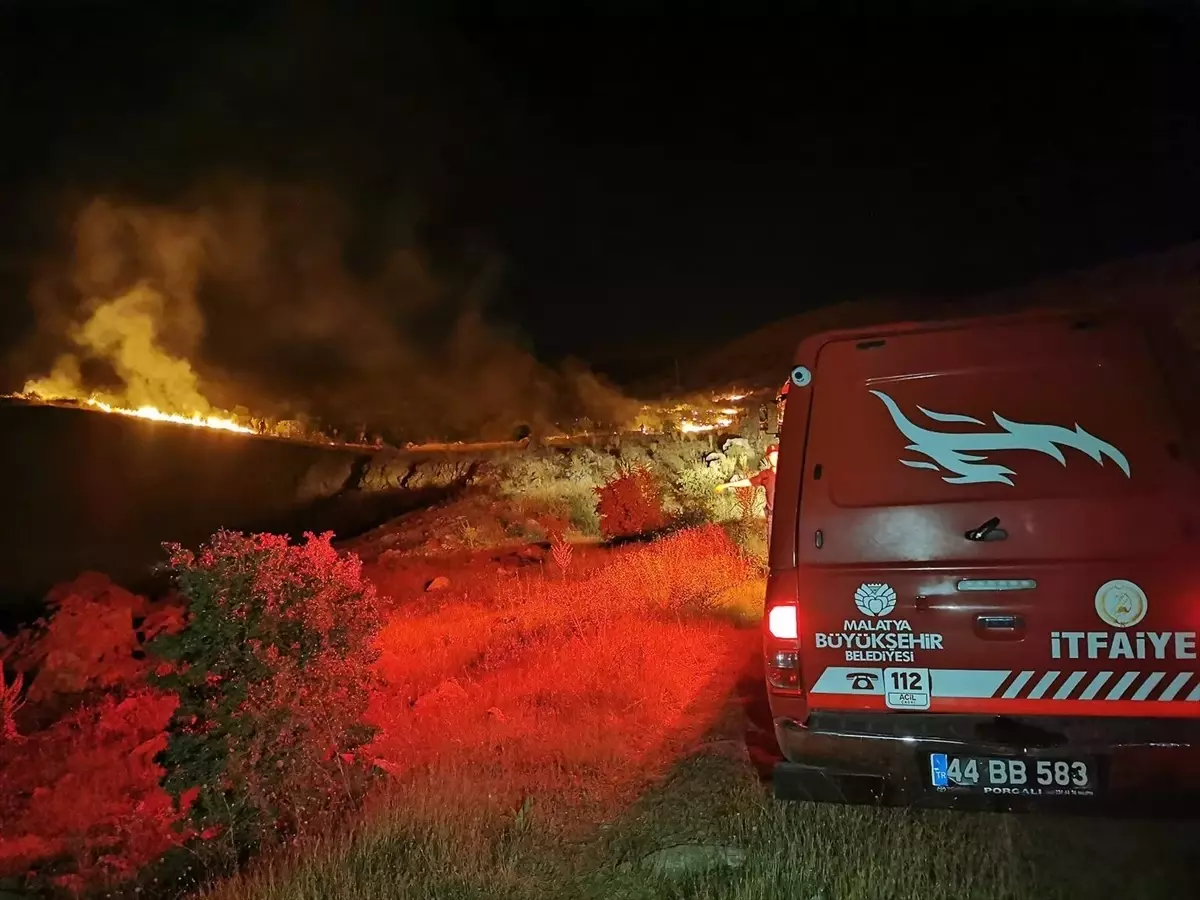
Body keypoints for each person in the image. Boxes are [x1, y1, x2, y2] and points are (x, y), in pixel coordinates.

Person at [716, 443, 779, 524]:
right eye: (771, 456)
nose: (774, 458)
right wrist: (726, 485)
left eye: (776, 455)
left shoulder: (789, 473)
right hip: (772, 516)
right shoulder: (765, 475)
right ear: (767, 458)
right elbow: (748, 482)